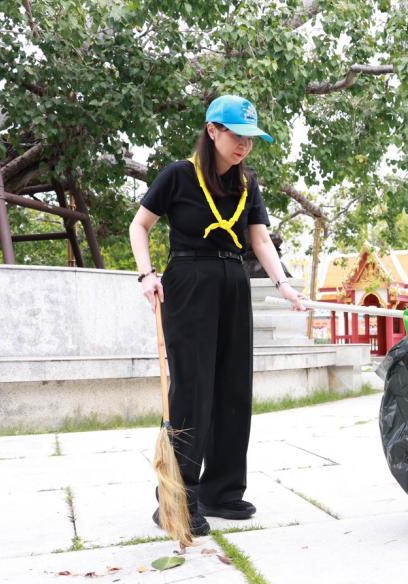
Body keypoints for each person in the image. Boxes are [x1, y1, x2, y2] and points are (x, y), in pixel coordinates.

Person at [129, 94, 303, 535]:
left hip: (233, 282)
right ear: (212, 131)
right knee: (192, 390)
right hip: (189, 282)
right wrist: (146, 274)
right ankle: (177, 496)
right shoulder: (178, 175)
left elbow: (260, 240)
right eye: (236, 135)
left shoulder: (247, 184)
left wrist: (283, 284)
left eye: (250, 138)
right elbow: (140, 226)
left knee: (232, 387)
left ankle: (221, 491)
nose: (244, 145)